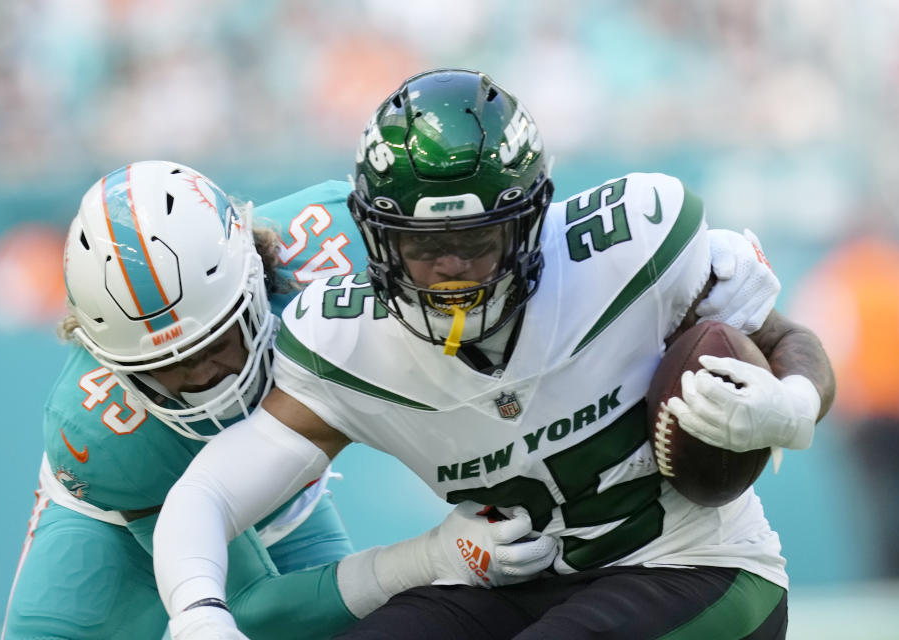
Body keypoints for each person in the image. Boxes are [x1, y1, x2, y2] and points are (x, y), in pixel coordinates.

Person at [153, 69, 835, 639]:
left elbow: (787, 341)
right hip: (523, 586)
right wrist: (196, 611)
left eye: (477, 241)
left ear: (531, 222)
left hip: (692, 567)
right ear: (378, 239)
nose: (453, 271)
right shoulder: (346, 345)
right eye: (423, 248)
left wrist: (791, 406)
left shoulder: (631, 248)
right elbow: (207, 495)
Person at [2, 160, 562, 640]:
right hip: (115, 523)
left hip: (277, 492)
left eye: (216, 342)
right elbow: (248, 606)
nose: (204, 379)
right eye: (167, 366)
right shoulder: (101, 432)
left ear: (255, 282)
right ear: (110, 358)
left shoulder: (338, 242)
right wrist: (432, 557)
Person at [792, 229, 899, 579]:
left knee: (877, 501)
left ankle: (890, 578)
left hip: (871, 409)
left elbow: (821, 343)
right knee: (897, 497)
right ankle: (896, 577)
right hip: (894, 405)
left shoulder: (836, 277)